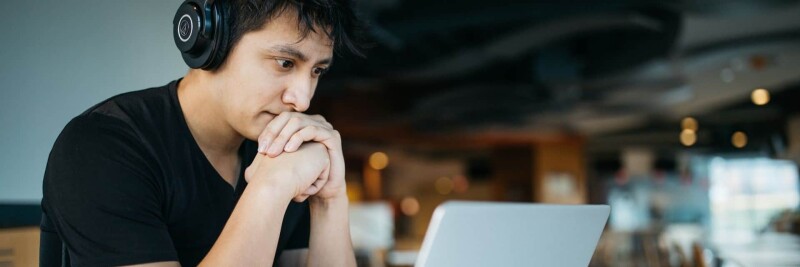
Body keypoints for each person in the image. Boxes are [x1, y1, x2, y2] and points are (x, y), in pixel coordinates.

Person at [40, 0, 363, 266]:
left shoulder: (284, 150)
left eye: (317, 71)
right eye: (284, 63)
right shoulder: (102, 146)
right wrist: (271, 187)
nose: (302, 100)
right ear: (212, 43)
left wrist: (329, 199)